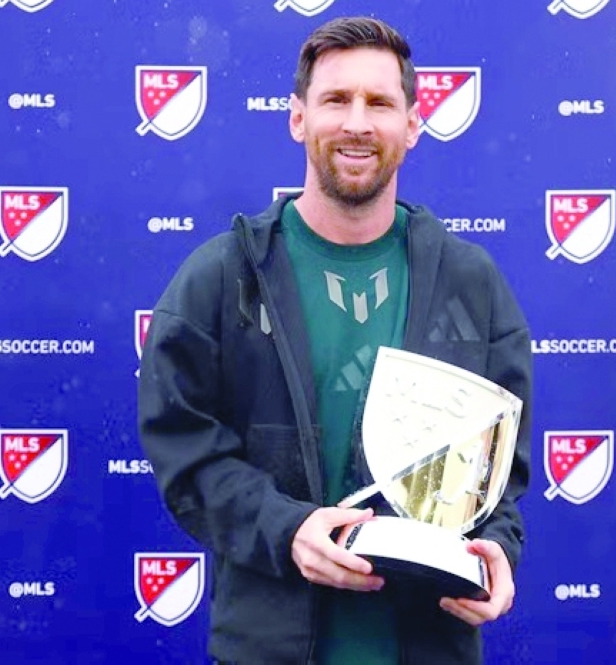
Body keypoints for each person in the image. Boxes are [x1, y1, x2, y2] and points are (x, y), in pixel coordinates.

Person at [138, 15, 532, 665]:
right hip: (267, 649)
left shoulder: (473, 285)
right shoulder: (224, 277)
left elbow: (501, 472)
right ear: (298, 118)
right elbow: (186, 455)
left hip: (429, 646)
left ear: (412, 124)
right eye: (335, 99)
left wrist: (498, 548)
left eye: (379, 102)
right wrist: (287, 530)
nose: (357, 122)